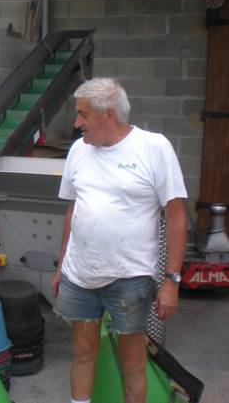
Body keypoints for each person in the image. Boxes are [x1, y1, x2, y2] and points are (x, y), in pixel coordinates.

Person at [51, 78, 187, 403]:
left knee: (132, 360)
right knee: (82, 351)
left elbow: (177, 215)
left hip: (131, 279)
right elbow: (74, 210)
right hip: (79, 274)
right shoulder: (78, 151)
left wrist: (171, 281)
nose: (76, 122)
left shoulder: (153, 148)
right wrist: (61, 266)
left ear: (107, 114)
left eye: (83, 114)